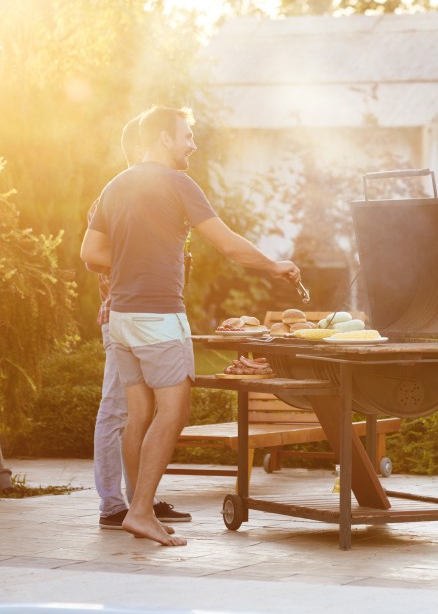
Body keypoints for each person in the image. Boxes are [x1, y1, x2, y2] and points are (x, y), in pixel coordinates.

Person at [80, 106, 304, 546]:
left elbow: (90, 252)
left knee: (139, 414)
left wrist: (133, 261)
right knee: (175, 412)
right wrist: (274, 265)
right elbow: (227, 245)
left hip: (122, 318)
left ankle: (135, 508)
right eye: (186, 136)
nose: (192, 144)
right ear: (163, 138)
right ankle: (140, 510)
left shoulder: (116, 185)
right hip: (159, 316)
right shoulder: (178, 183)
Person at [88, 116, 192, 530]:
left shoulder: (149, 193)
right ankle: (115, 504)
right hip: (125, 314)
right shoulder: (120, 193)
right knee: (117, 411)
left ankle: (139, 503)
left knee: (139, 412)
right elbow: (95, 254)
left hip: (136, 314)